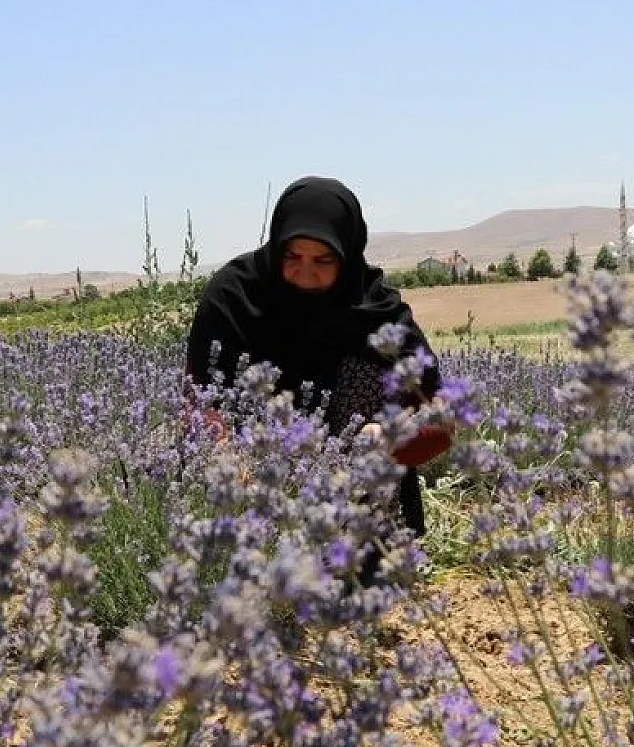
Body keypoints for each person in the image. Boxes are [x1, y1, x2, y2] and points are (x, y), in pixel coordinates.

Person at [184, 175, 449, 576]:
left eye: (323, 260)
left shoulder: (374, 309)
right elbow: (198, 397)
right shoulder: (235, 297)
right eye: (293, 256)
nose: (306, 275)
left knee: (367, 368)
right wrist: (231, 463)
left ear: (348, 253)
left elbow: (440, 419)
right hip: (254, 492)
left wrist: (391, 438)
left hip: (354, 502)